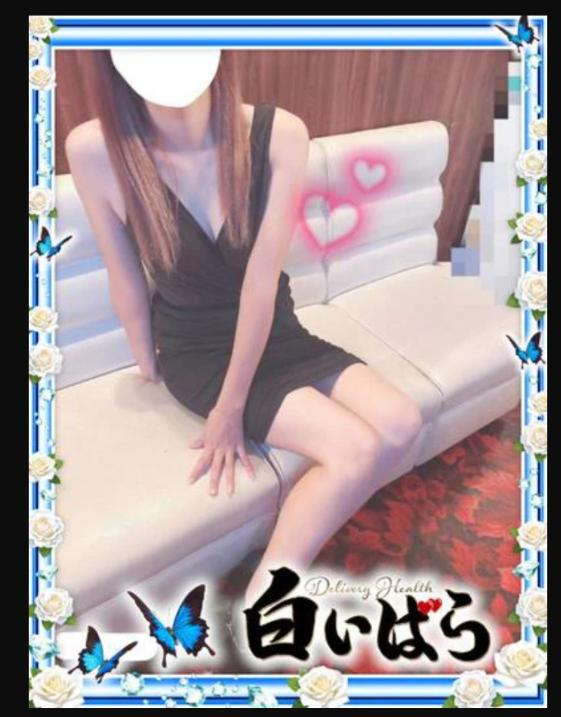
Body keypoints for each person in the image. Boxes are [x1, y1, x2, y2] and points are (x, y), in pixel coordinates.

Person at [65, 50, 423, 607]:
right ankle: (264, 603)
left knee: (403, 423)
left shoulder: (280, 134)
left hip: (274, 329)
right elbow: (124, 272)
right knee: (354, 448)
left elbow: (261, 282)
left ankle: (301, 525)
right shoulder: (95, 148)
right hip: (197, 350)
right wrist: (149, 366)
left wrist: (232, 409)